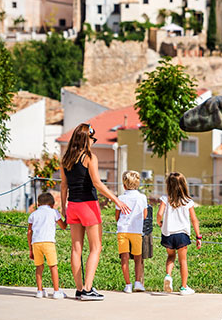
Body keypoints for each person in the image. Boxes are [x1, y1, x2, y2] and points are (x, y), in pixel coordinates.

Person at [60, 123, 130, 301]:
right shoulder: (89, 157)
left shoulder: (65, 158)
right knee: (96, 247)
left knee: (76, 249)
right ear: (86, 138)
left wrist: (63, 209)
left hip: (72, 206)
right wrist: (117, 200)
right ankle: (87, 289)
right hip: (88, 206)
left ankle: (78, 289)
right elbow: (97, 183)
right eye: (93, 139)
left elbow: (63, 186)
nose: (93, 142)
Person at [157, 172, 201, 296]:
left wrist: (160, 223)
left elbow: (159, 214)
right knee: (183, 261)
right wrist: (198, 236)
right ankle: (183, 287)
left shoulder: (165, 199)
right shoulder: (188, 201)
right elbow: (194, 220)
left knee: (171, 257)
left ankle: (168, 276)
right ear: (183, 185)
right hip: (182, 235)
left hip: (168, 234)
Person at [27, 192, 67, 299]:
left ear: (38, 204)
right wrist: (66, 217)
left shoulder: (33, 214)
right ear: (52, 204)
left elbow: (29, 232)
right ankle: (56, 291)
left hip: (36, 243)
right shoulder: (54, 212)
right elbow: (63, 226)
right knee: (53, 266)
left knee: (39, 267)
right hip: (48, 242)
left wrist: (30, 249)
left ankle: (39, 291)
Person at [116, 170, 149, 293]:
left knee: (124, 258)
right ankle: (138, 282)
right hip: (136, 231)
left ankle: (128, 284)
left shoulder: (121, 198)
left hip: (122, 231)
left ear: (124, 185)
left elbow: (117, 216)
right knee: (138, 258)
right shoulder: (142, 198)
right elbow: (145, 215)